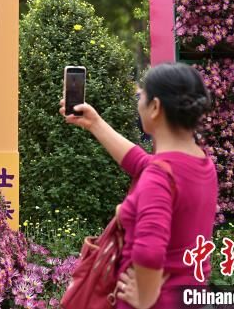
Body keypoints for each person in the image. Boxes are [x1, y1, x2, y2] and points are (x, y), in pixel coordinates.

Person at [60, 62, 217, 309]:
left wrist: (145, 298)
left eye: (141, 95)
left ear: (155, 107)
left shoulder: (160, 176)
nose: (138, 101)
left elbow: (149, 252)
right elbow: (142, 163)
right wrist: (95, 123)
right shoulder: (201, 163)